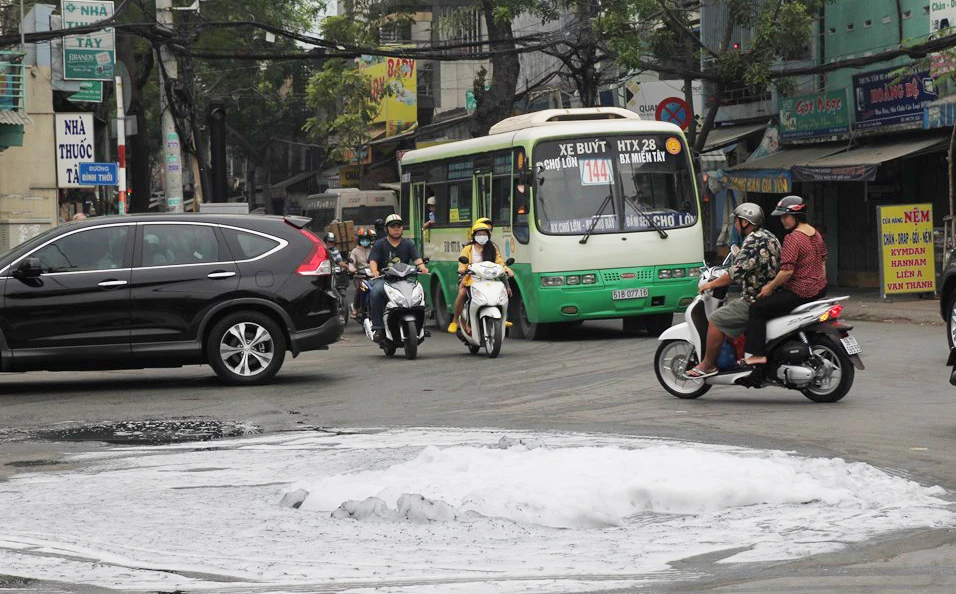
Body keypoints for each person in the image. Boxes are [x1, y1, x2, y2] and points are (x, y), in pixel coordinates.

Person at [684, 202, 781, 378]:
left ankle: (707, 365)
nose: (735, 225)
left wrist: (710, 284)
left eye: (737, 221)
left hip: (755, 298)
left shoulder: (753, 241)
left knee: (716, 319)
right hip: (772, 295)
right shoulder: (769, 237)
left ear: (744, 222)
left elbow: (734, 273)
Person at [740, 196, 828, 366]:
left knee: (757, 309)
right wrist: (819, 283)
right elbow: (823, 261)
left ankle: (756, 355)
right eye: (781, 217)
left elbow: (787, 271)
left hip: (799, 292)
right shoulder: (816, 234)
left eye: (785, 216)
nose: (782, 221)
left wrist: (769, 287)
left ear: (797, 215)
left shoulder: (793, 238)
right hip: (819, 290)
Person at [368, 214, 429, 342]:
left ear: (402, 229)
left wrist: (422, 267)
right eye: (393, 226)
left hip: (404, 279)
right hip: (385, 280)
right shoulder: (380, 244)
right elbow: (373, 260)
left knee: (422, 292)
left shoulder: (408, 244)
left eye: (399, 226)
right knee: (376, 292)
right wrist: (374, 271)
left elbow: (417, 259)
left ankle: (421, 325)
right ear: (387, 229)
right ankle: (378, 328)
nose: (396, 229)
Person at [447, 222, 513, 335]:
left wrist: (507, 269)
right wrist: (463, 269)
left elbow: (500, 263)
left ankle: (503, 318)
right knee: (462, 293)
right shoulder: (468, 249)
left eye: (484, 234)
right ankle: (454, 321)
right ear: (473, 235)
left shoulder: (493, 248)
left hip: (489, 280)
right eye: (479, 234)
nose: (482, 236)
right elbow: (462, 265)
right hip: (470, 279)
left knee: (503, 292)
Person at [348, 228, 374, 319]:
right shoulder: (355, 251)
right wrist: (352, 269)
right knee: (359, 288)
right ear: (359, 239)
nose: (365, 241)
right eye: (363, 238)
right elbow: (351, 263)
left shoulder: (374, 249)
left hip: (373, 275)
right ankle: (356, 308)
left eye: (367, 238)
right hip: (360, 276)